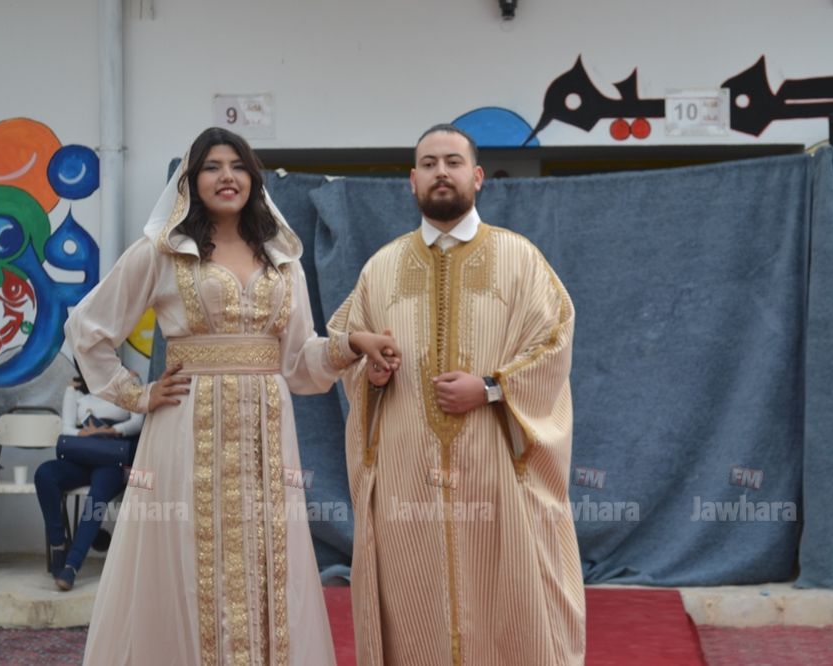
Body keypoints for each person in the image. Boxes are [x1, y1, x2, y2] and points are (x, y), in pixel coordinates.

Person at [65, 127, 399, 665]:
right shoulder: (164, 251)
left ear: (253, 179)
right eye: (212, 166)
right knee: (189, 550)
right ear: (191, 181)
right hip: (185, 429)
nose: (227, 176)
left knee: (269, 554)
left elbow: (298, 362)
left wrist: (351, 344)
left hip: (267, 432)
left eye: (238, 166)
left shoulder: (281, 258)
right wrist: (137, 394)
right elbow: (89, 328)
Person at [328, 124, 586, 665]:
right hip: (407, 474)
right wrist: (372, 375)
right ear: (412, 181)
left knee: (509, 602)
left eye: (452, 162)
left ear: (478, 176)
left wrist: (490, 387)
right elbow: (345, 347)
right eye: (428, 164)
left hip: (496, 467)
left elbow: (555, 342)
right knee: (413, 603)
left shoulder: (520, 259)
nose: (440, 172)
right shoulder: (380, 268)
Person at [34, 364, 144, 591]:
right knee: (45, 474)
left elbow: (137, 423)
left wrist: (109, 431)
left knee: (97, 496)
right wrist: (83, 433)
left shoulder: (129, 382)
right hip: (82, 456)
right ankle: (58, 545)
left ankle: (72, 566)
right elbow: (66, 428)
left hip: (112, 460)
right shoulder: (75, 388)